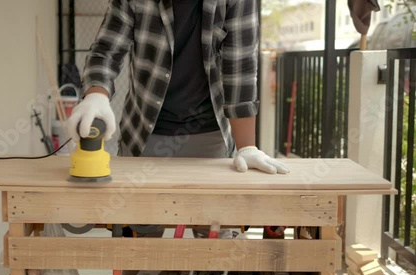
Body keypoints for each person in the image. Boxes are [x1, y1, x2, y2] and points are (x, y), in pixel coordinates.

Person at [67, 0, 290, 237]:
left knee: (214, 241)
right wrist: (96, 95)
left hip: (210, 134)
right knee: (140, 237)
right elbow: (106, 50)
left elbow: (241, 65)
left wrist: (247, 147)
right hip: (145, 133)